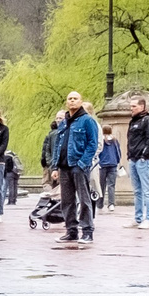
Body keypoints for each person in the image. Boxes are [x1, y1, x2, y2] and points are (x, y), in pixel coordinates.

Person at [55, 90, 99, 246]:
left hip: (79, 166)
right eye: (69, 99)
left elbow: (92, 144)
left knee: (84, 199)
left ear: (80, 102)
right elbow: (58, 144)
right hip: (64, 166)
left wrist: (82, 163)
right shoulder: (64, 122)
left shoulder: (87, 120)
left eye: (75, 98)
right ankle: (71, 231)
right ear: (67, 102)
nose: (72, 101)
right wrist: (55, 166)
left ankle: (87, 232)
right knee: (67, 201)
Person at [124, 95, 149, 228]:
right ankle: (138, 218)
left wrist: (143, 155)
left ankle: (148, 219)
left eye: (134, 106)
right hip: (134, 158)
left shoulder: (147, 120)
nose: (131, 108)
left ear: (142, 107)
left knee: (147, 190)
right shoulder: (133, 121)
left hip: (143, 159)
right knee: (137, 191)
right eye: (131, 106)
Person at [98, 123, 122, 209]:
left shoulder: (101, 140)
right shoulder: (115, 141)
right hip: (113, 164)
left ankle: (99, 204)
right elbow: (118, 152)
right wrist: (117, 161)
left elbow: (98, 152)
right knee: (111, 185)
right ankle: (111, 204)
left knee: (101, 185)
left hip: (102, 165)